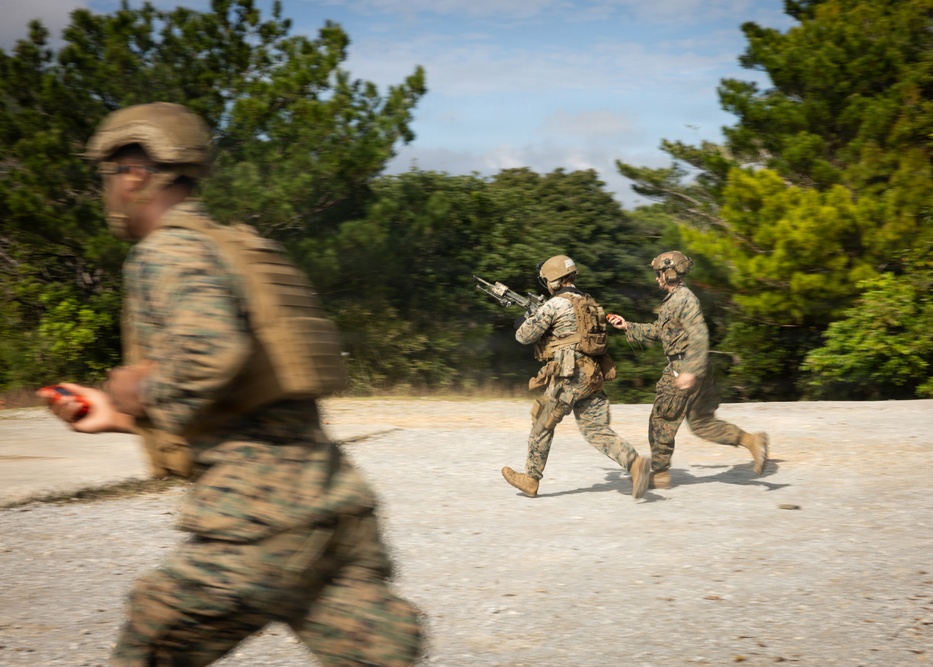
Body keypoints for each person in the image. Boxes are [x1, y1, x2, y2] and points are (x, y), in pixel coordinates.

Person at [41, 102, 423, 666]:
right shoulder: (235, 248)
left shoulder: (166, 251)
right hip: (335, 510)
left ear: (136, 172)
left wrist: (138, 393)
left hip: (259, 521)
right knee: (375, 654)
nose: (108, 192)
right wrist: (117, 413)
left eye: (107, 176)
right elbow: (245, 394)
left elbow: (211, 352)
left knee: (154, 637)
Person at [606, 251, 769, 490]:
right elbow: (660, 331)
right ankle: (752, 440)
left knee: (661, 420)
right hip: (699, 367)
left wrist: (689, 370)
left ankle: (660, 475)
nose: (656, 279)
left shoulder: (684, 299)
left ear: (669, 272)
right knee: (702, 423)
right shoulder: (676, 299)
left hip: (684, 367)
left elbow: (700, 333)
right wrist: (628, 325)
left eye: (659, 273)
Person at [500, 255, 651, 499]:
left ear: (553, 280)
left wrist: (522, 321)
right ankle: (635, 464)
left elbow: (523, 337)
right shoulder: (591, 302)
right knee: (596, 430)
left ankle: (531, 479)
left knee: (543, 420)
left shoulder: (555, 305)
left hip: (568, 374)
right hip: (592, 374)